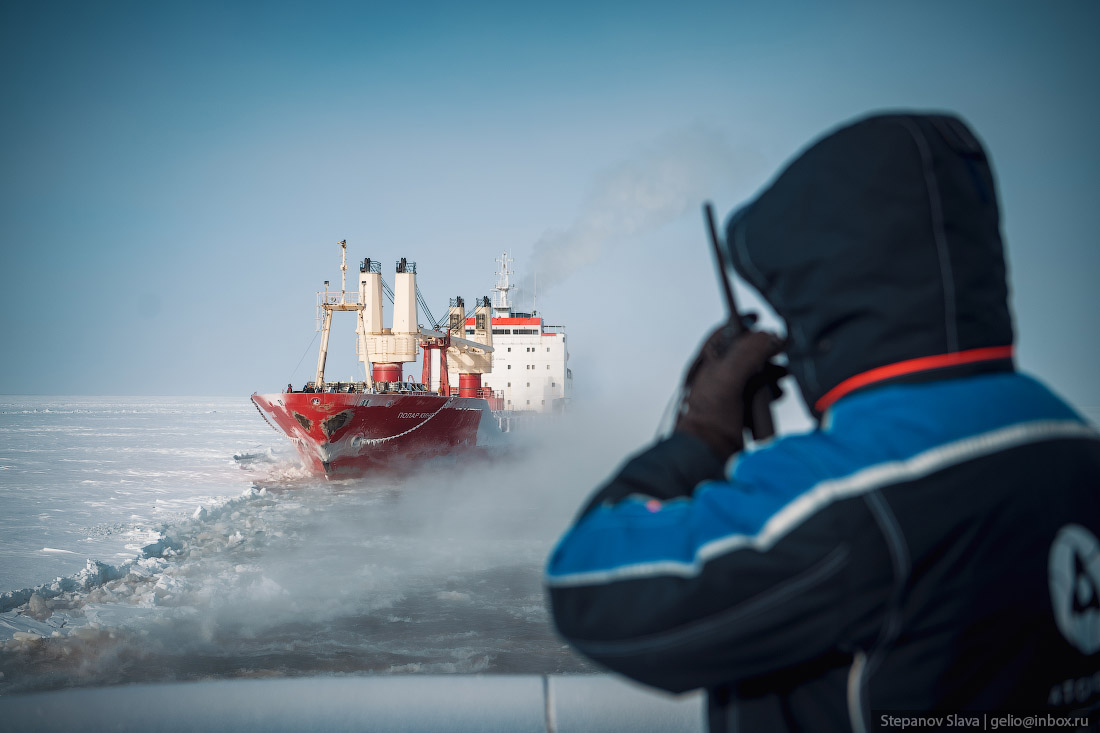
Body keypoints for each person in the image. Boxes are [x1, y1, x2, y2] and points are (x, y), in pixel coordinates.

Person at [545, 112, 1100, 732]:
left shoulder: (844, 495)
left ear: (830, 296)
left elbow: (585, 586)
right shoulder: (1075, 443)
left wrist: (701, 433)